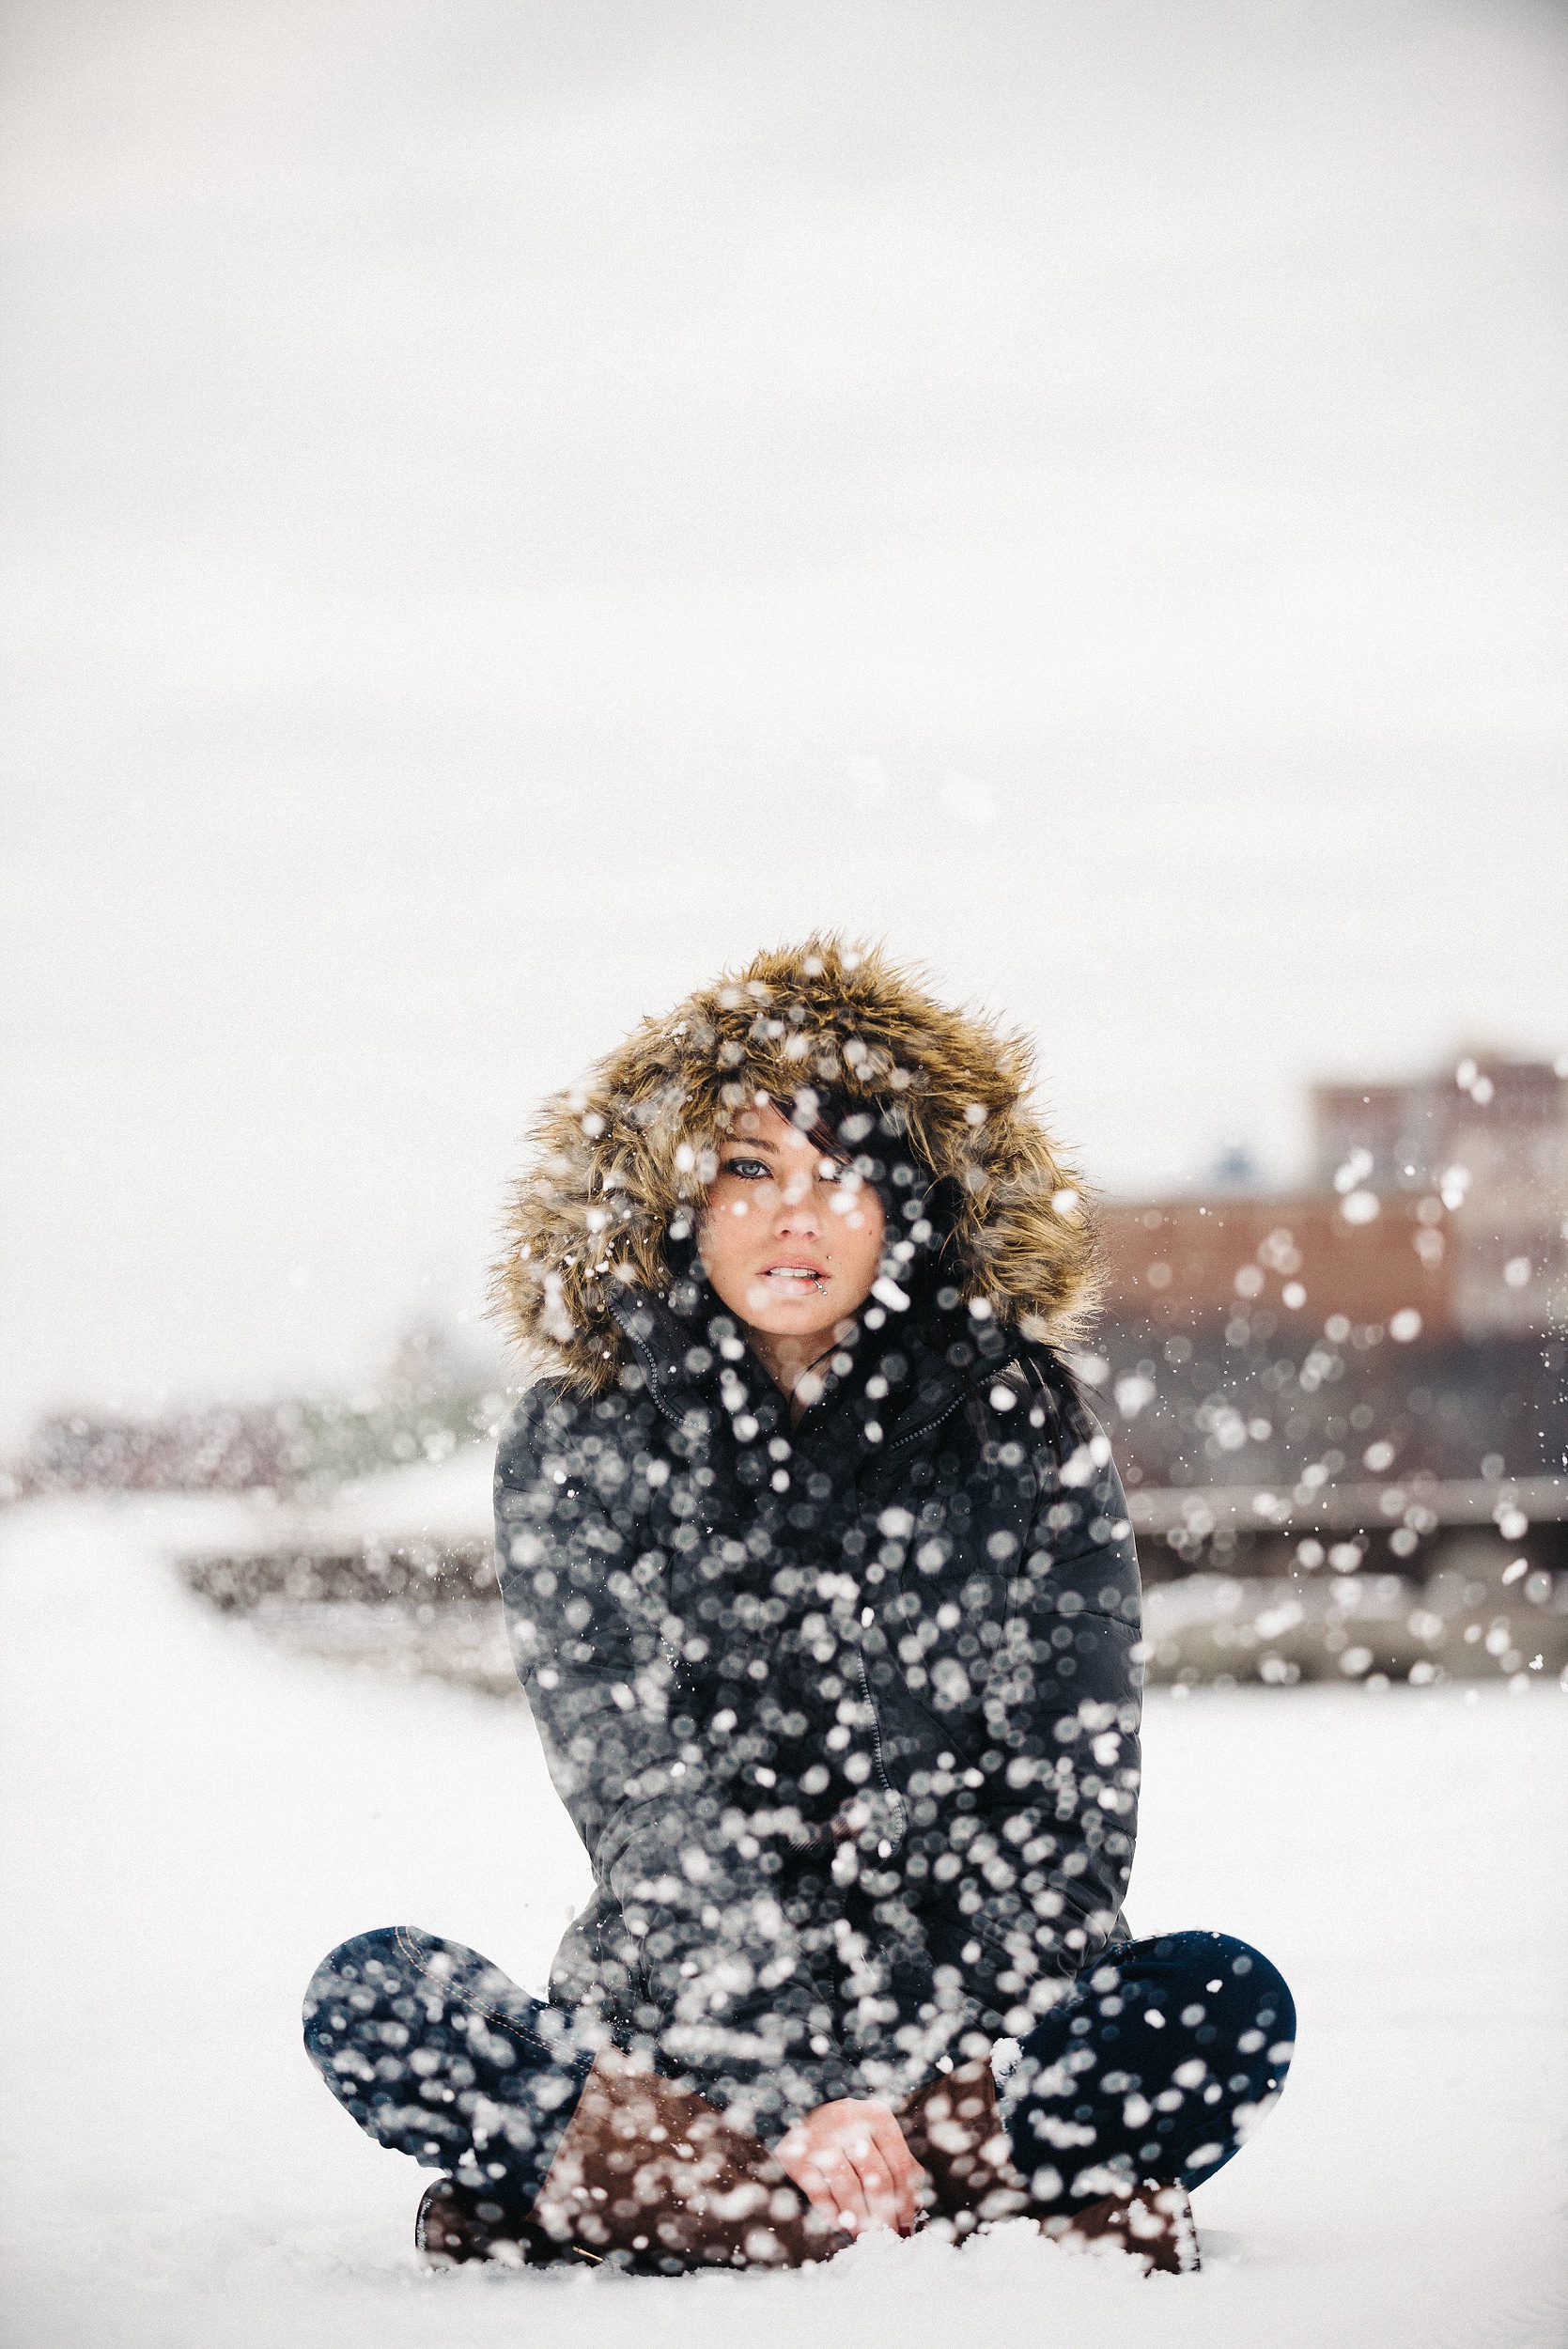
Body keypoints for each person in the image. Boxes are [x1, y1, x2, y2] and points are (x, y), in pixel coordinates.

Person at [303, 939, 1294, 2276]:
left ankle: (672, 2212)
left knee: (1218, 2000)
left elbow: (1065, 1796)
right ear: (674, 1203)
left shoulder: (1017, 1418)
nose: (794, 1217)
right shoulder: (578, 1438)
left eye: (842, 1177)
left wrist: (919, 2094)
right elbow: (640, 1801)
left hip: (971, 2042)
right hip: (682, 2039)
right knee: (377, 1999)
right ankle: (927, 2200)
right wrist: (780, 2098)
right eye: (749, 1172)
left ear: (909, 1209)